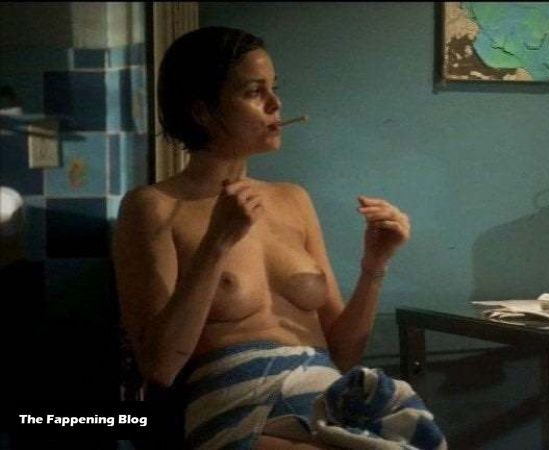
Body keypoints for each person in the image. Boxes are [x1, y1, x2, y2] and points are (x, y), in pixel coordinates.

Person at [112, 27, 444, 450]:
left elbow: (343, 354)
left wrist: (374, 266)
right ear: (202, 111)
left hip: (327, 399)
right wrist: (217, 243)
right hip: (235, 405)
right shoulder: (154, 206)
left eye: (275, 88)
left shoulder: (293, 200)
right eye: (254, 92)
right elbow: (159, 367)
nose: (276, 104)